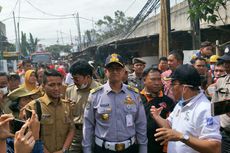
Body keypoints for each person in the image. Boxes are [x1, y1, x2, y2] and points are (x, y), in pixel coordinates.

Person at [83, 53, 147, 153]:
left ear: (123, 71)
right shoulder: (95, 95)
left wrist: (143, 147)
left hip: (129, 149)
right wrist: (87, 149)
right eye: (111, 69)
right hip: (103, 149)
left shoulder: (134, 94)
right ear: (105, 72)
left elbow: (141, 123)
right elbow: (88, 125)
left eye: (118, 68)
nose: (115, 71)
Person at [151, 64, 221, 153]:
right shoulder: (180, 104)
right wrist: (157, 117)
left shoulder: (205, 109)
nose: (170, 88)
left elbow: (215, 148)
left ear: (184, 88)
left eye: (173, 84)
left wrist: (182, 137)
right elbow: (170, 127)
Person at [25, 69, 75, 153]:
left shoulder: (67, 106)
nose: (56, 88)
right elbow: (31, 135)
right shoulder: (33, 107)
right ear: (43, 86)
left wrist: (63, 150)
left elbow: (71, 129)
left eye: (59, 84)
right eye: (52, 85)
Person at [65, 60, 101, 153]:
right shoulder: (70, 90)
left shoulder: (100, 90)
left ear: (88, 77)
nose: (74, 82)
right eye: (73, 79)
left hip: (94, 133)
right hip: (75, 135)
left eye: (77, 79)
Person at [140, 67, 174, 153]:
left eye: (159, 79)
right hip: (141, 145)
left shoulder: (168, 101)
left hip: (162, 147)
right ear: (144, 80)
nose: (157, 83)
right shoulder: (136, 99)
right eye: (153, 79)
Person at [212, 45, 230, 153]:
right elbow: (214, 107)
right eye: (225, 62)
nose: (226, 65)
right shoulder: (220, 81)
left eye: (229, 62)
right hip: (225, 134)